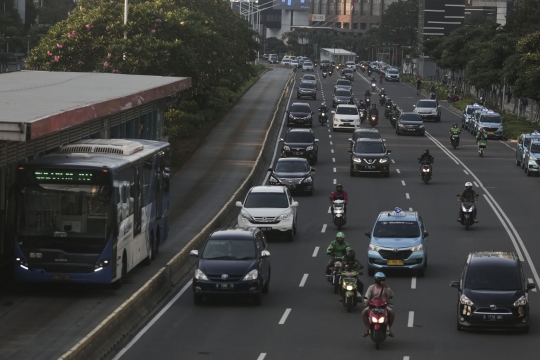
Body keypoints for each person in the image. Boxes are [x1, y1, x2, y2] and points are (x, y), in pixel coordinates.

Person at [362, 272, 395, 337]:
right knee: (364, 313)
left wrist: (386, 287)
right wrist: (366, 301)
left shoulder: (385, 288)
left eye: (381, 279)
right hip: (373, 306)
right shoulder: (371, 287)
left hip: (383, 306)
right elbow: (367, 295)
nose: (380, 280)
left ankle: (388, 329)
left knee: (392, 314)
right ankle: (367, 329)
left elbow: (391, 295)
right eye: (378, 279)